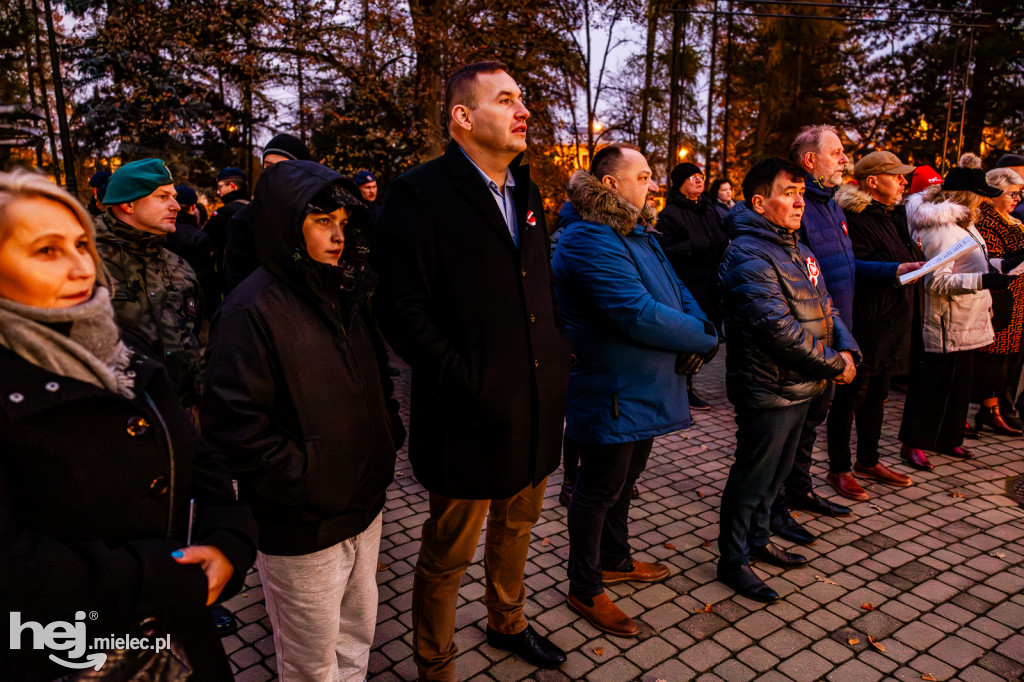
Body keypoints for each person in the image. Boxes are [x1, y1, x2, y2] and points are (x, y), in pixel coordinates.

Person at [0, 169, 257, 680]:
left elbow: (189, 453)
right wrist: (161, 575)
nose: (80, 266)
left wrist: (228, 540)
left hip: (175, 640)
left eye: (81, 245)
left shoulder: (121, 350)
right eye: (48, 250)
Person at [373, 60, 571, 679]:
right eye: (506, 99)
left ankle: (506, 621)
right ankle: (436, 662)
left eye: (523, 98)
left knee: (518, 527)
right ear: (463, 117)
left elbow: (538, 288)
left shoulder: (528, 192)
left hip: (535, 403)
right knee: (449, 549)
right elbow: (400, 310)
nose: (524, 111)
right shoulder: (419, 192)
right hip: (468, 412)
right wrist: (467, 378)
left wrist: (558, 358)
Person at [201, 159, 403, 679]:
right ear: (288, 225)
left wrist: (388, 431)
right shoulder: (250, 311)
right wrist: (307, 478)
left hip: (366, 506)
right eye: (321, 222)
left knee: (356, 639)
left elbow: (377, 376)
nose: (339, 236)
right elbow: (234, 429)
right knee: (311, 664)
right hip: (303, 526)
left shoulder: (346, 292)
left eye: (343, 221)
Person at [552, 143, 719, 636]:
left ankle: (615, 559)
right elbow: (634, 310)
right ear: (610, 185)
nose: (653, 184)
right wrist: (704, 337)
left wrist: (701, 323)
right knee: (597, 489)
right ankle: (585, 585)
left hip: (643, 385)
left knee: (625, 483)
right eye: (643, 176)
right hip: (613, 388)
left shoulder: (636, 230)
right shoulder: (586, 237)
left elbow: (677, 288)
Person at [717, 157, 860, 602]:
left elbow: (826, 304)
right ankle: (732, 559)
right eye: (788, 193)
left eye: (801, 193)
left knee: (776, 474)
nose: (799, 202)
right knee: (753, 477)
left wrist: (848, 346)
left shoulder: (794, 246)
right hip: (769, 386)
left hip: (802, 383)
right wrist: (837, 364)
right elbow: (778, 329)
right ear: (759, 202)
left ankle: (758, 540)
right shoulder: (747, 253)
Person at [899, 164, 1018, 468]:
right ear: (968, 196)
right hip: (945, 318)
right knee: (931, 384)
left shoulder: (964, 222)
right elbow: (935, 279)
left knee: (959, 384)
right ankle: (914, 442)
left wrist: (1004, 264)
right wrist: (984, 280)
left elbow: (972, 262)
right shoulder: (941, 226)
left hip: (967, 316)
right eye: (981, 196)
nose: (986, 202)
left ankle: (948, 437)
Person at [827, 151, 925, 501]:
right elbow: (854, 268)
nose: (903, 181)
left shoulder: (892, 214)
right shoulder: (854, 216)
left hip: (894, 319)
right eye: (896, 176)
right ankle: (839, 467)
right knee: (852, 396)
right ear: (872, 181)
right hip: (867, 321)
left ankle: (869, 459)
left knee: (879, 395)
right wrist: (896, 269)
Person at [94, 158, 204, 407]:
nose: (176, 205)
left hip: (176, 417)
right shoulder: (83, 263)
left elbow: (193, 338)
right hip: (112, 418)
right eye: (162, 197)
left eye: (174, 196)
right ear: (128, 204)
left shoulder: (180, 268)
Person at [655, 162, 729, 410]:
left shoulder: (709, 210)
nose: (699, 180)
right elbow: (662, 252)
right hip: (688, 289)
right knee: (688, 341)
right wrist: (690, 247)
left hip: (713, 288)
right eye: (692, 177)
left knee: (707, 340)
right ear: (680, 183)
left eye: (701, 176)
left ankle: (686, 386)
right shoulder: (670, 215)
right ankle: (683, 391)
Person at [972, 167, 1024, 435]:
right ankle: (990, 410)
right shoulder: (988, 221)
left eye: (1020, 194)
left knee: (1007, 359)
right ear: (992, 194)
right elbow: (992, 263)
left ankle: (999, 409)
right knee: (993, 357)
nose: (1017, 199)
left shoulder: (1012, 219)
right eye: (1012, 194)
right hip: (1002, 297)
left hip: (1018, 298)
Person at [224, 134, 312, 293]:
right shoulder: (244, 220)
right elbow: (238, 283)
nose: (273, 173)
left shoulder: (315, 216)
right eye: (268, 166)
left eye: (284, 167)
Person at [165, 184, 216, 319]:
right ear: (193, 207)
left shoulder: (160, 231)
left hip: (161, 294)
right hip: (190, 299)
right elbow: (205, 275)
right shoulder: (199, 237)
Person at [204, 166, 250, 305]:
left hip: (230, 278)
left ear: (232, 186)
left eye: (220, 187)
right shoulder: (257, 208)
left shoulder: (225, 212)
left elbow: (205, 239)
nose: (218, 192)